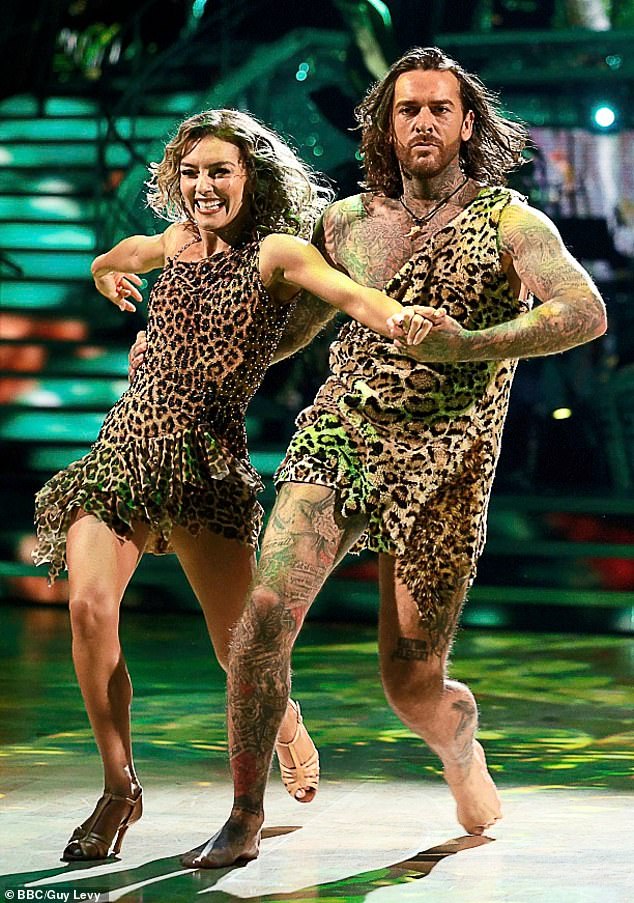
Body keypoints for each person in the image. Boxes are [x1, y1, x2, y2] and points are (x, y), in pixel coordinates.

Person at [162, 47, 605, 868]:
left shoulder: (512, 221)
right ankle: (245, 812)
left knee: (411, 684)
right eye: (409, 110)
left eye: (441, 108)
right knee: (263, 618)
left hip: (450, 461)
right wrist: (207, 372)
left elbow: (585, 310)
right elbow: (290, 328)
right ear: (387, 125)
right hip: (341, 435)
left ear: (467, 123)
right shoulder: (345, 223)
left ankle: (461, 747)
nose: (425, 122)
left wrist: (473, 343)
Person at [32, 107, 434, 862]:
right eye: (189, 172)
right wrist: (104, 268)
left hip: (207, 469)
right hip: (125, 450)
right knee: (87, 606)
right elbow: (129, 249)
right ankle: (120, 787)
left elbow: (349, 294)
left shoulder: (275, 253)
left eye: (219, 170)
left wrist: (400, 318)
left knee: (240, 653)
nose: (203, 186)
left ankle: (285, 725)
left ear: (252, 175)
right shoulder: (175, 240)